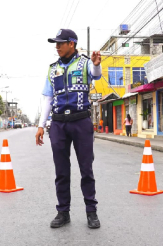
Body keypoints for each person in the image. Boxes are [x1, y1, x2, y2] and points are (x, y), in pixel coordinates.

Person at [35, 28, 102, 229]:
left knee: (86, 169)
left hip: (81, 121)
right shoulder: (52, 68)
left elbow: (95, 75)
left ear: (71, 43)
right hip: (58, 124)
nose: (57, 47)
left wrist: (97, 65)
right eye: (55, 44)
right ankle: (63, 212)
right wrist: (40, 125)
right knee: (61, 171)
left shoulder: (85, 63)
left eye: (60, 43)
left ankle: (91, 212)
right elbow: (48, 98)